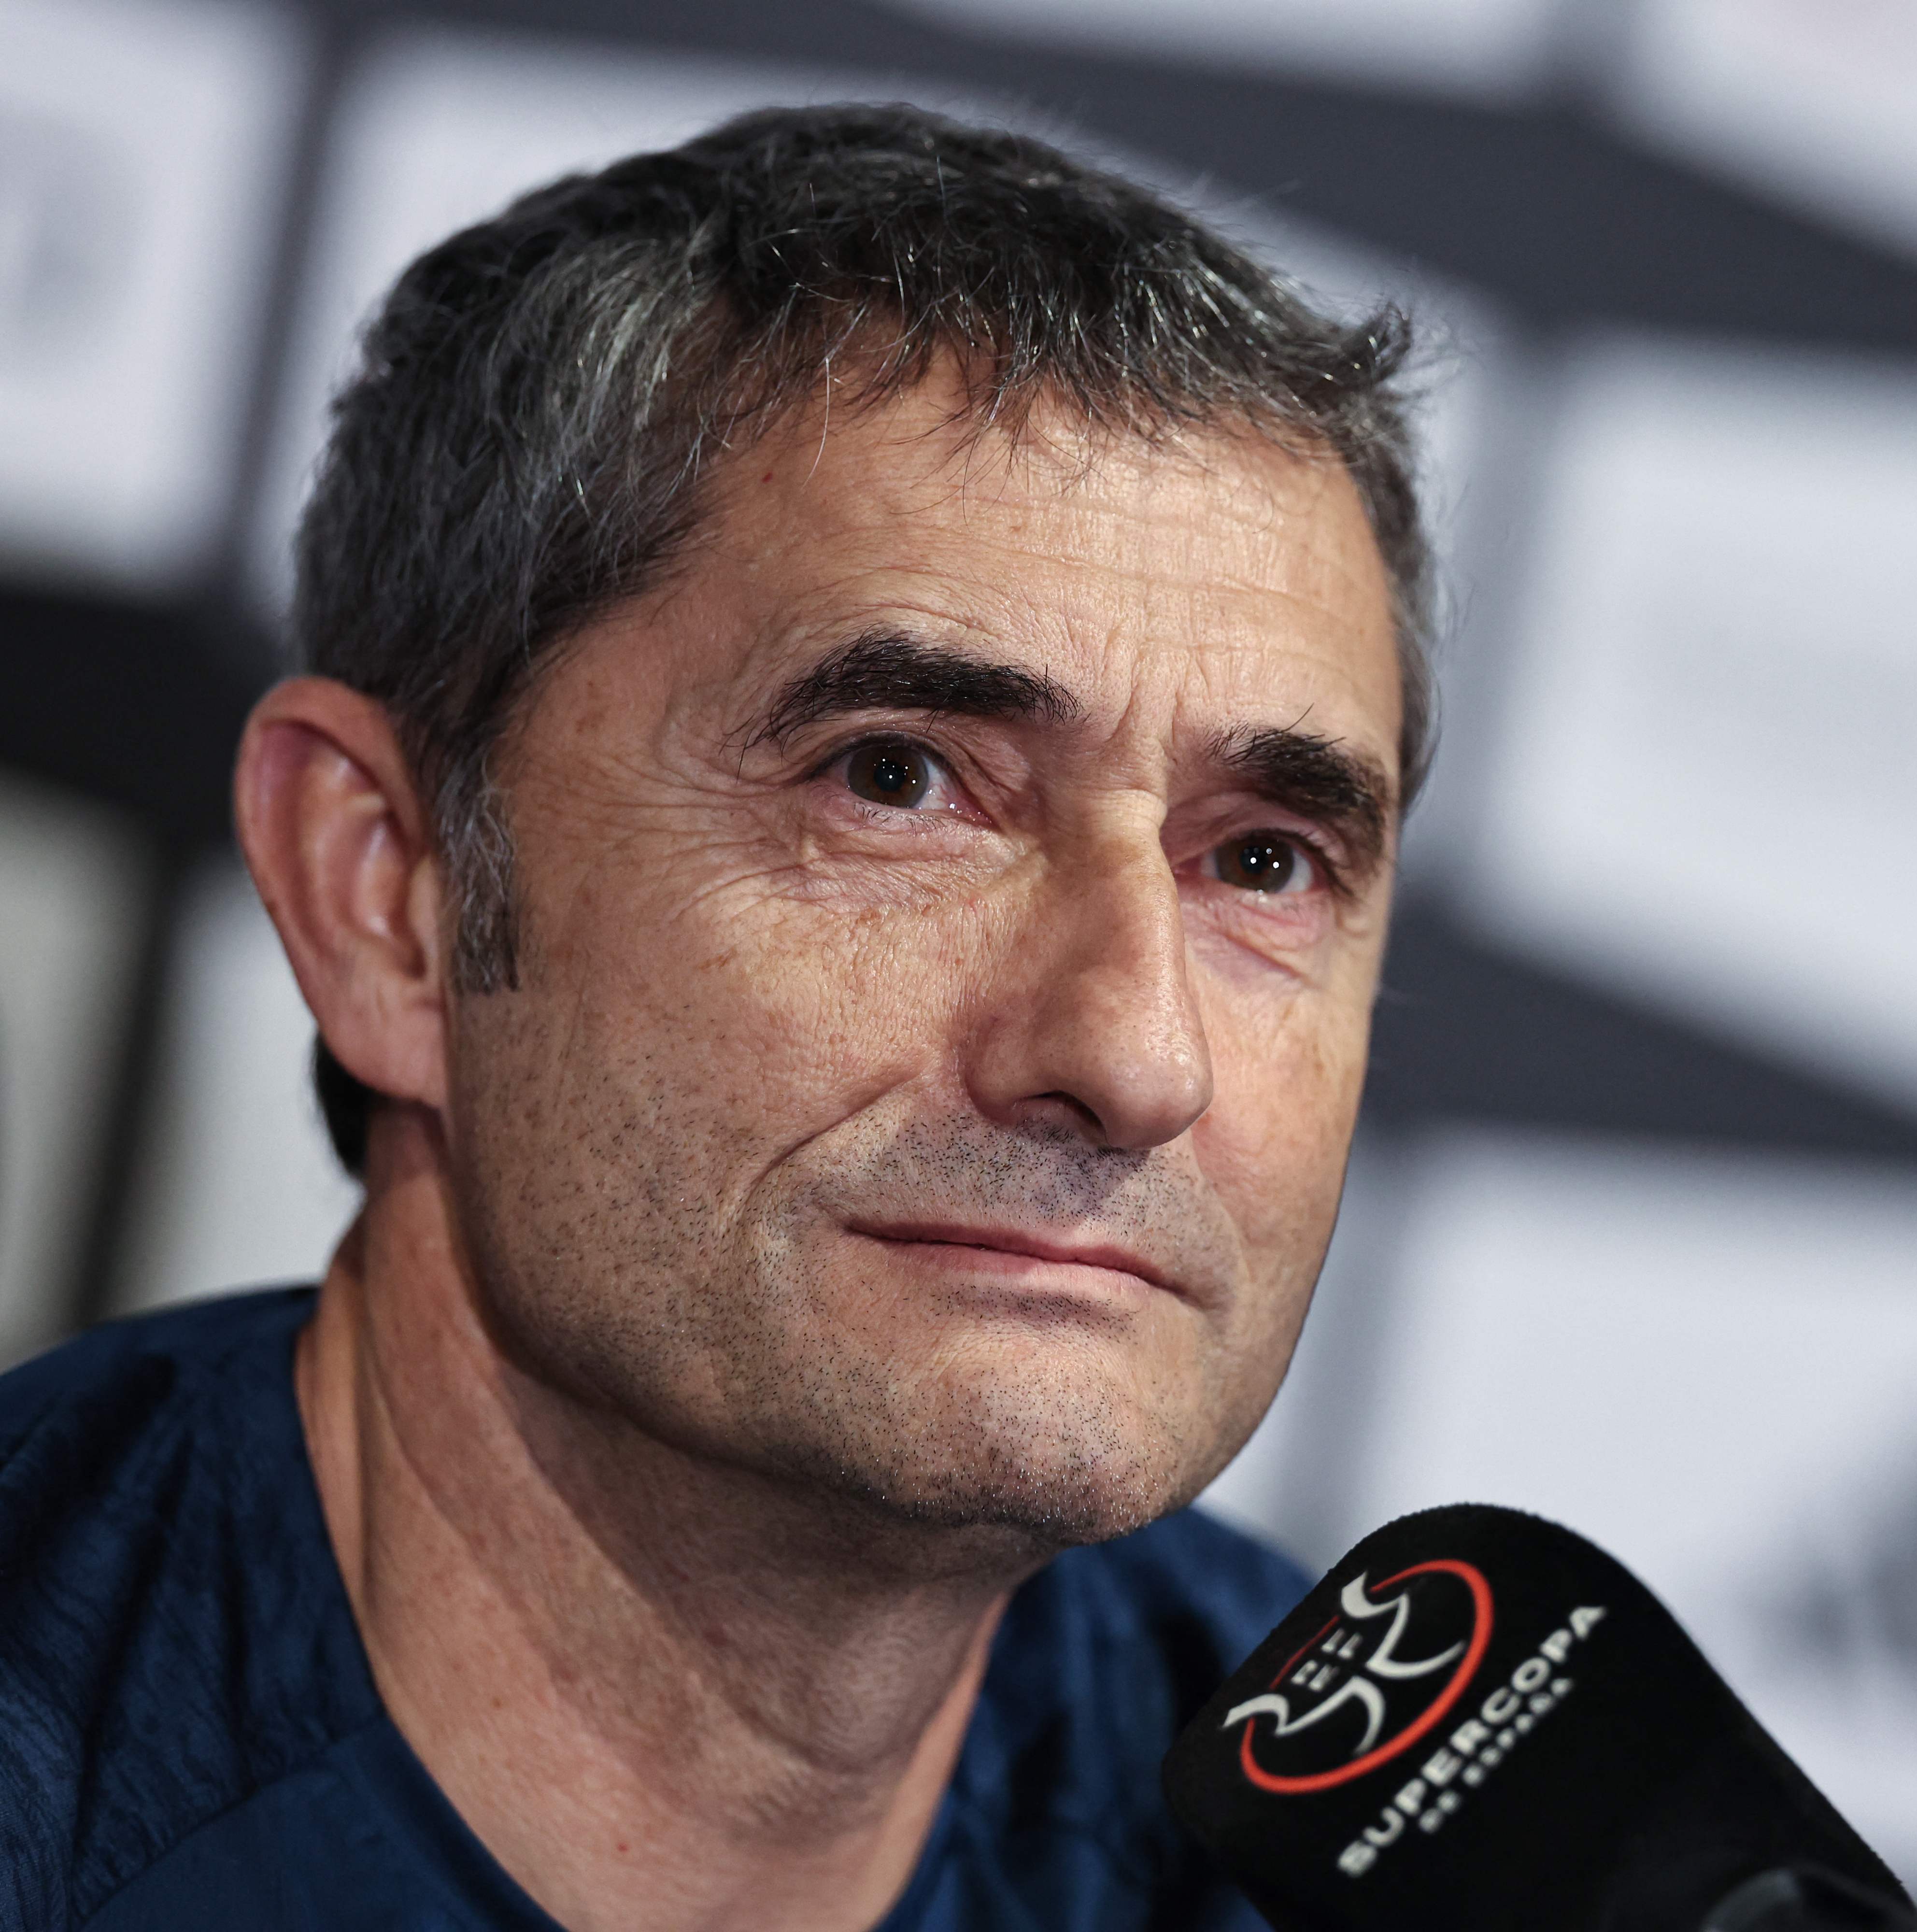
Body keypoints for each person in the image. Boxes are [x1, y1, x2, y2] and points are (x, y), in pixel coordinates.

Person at [0, 102, 1432, 1932]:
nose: (1135, 1057)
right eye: (900, 779)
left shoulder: (1372, 1845)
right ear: (392, 893)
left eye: (1266, 864)